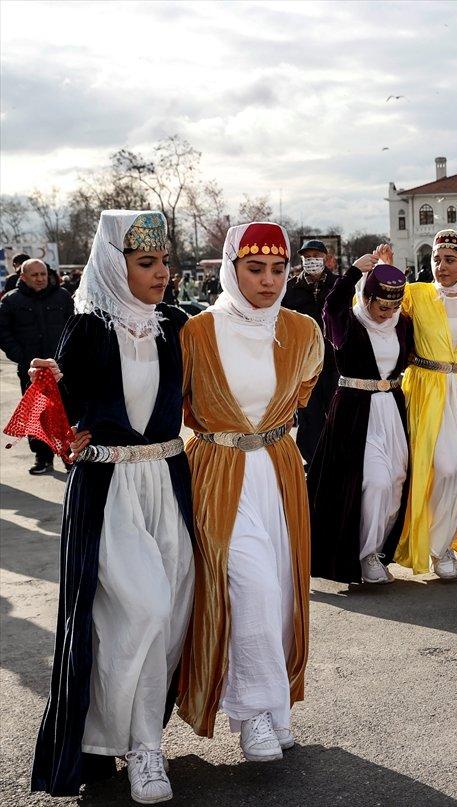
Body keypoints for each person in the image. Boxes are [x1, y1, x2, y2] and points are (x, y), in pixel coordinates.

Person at [30, 211, 195, 803]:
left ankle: (134, 733)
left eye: (163, 262)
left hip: (169, 483)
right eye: (145, 263)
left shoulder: (176, 324)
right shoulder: (88, 329)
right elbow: (59, 412)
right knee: (142, 610)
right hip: (109, 490)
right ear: (112, 264)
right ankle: (144, 748)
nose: (160, 273)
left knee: (171, 616)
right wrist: (49, 393)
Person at [176, 222, 324, 762]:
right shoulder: (196, 332)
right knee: (252, 588)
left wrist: (274, 434)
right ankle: (254, 714)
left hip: (280, 472)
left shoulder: (304, 330)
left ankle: (274, 707)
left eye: (278, 269)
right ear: (230, 268)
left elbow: (304, 390)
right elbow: (176, 402)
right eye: (254, 268)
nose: (267, 280)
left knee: (282, 593)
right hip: (218, 472)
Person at [397, 229, 457, 579]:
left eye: (450, 260)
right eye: (436, 260)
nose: (441, 266)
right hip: (427, 388)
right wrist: (379, 270)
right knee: (441, 467)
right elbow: (369, 306)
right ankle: (434, 547)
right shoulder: (416, 294)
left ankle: (450, 544)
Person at [308, 246, 411, 585]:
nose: (387, 312)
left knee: (395, 481)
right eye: (382, 306)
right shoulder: (347, 323)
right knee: (373, 482)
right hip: (356, 412)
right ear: (367, 299)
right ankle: (362, 554)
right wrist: (353, 271)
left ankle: (378, 549)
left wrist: (388, 271)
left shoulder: (402, 325)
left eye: (393, 305)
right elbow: (331, 305)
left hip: (391, 410)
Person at [0, 257, 75, 474]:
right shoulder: (11, 302)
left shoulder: (62, 297)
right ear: (23, 277)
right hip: (32, 372)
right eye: (35, 275)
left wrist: (67, 358)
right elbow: (4, 333)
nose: (40, 279)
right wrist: (23, 358)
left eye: (43, 274)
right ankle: (43, 458)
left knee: (67, 413)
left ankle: (70, 457)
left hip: (61, 370)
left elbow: (74, 328)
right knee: (38, 416)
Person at [282, 239, 339, 466]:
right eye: (307, 257)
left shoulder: (338, 285)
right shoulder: (290, 288)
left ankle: (335, 462)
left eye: (316, 255)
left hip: (335, 362)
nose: (311, 260)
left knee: (336, 415)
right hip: (304, 365)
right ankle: (314, 462)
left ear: (326, 259)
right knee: (309, 415)